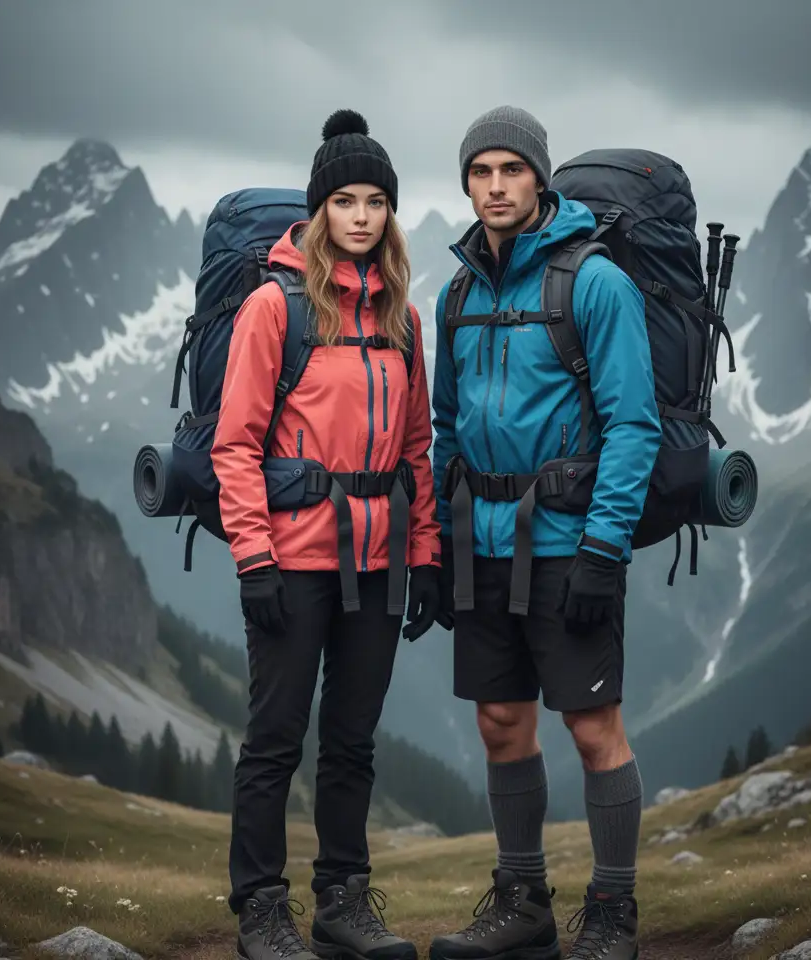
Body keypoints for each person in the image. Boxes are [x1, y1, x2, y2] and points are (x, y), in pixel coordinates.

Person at [428, 106, 662, 960]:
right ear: (467, 182)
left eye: (511, 171)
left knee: (593, 725)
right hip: (480, 542)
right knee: (500, 719)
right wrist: (433, 547)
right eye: (480, 172)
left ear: (539, 179)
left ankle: (612, 917)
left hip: (570, 540)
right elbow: (444, 429)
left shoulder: (594, 282)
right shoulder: (456, 292)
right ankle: (522, 904)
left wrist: (604, 548)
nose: (495, 187)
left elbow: (634, 426)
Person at [211, 108, 442, 960]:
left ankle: (344, 901)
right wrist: (253, 560)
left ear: (389, 213)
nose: (360, 216)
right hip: (292, 562)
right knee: (274, 739)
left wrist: (425, 558)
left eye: (375, 200)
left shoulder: (403, 321)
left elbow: (416, 449)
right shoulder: (277, 309)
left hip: (378, 565)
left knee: (351, 741)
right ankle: (261, 909)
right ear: (316, 213)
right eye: (343, 199)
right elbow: (236, 445)